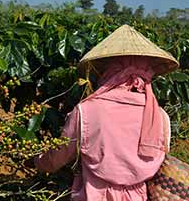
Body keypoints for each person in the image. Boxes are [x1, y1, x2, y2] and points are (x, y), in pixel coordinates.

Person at [32, 25, 179, 201]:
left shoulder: (87, 110)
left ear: (108, 70)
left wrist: (37, 161)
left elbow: (58, 155)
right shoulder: (160, 116)